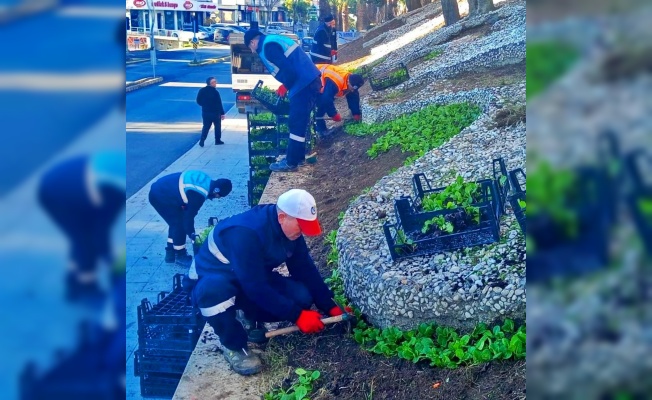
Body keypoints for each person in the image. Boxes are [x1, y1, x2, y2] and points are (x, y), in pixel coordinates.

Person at [191, 189, 348, 375]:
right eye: (301, 226)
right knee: (213, 291)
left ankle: (246, 313)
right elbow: (255, 286)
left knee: (302, 296)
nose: (303, 232)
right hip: (214, 280)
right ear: (282, 217)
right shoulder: (245, 233)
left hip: (250, 277)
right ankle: (234, 346)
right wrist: (297, 315)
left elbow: (305, 268)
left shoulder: (291, 232)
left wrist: (329, 305)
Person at [38, 151, 126, 304]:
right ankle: (84, 288)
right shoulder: (114, 189)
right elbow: (101, 231)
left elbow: (103, 223)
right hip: (59, 193)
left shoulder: (116, 183)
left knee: (83, 238)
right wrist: (111, 261)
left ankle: (75, 281)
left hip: (66, 183)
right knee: (83, 239)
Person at [244, 29, 322, 172]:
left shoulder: (268, 48)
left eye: (250, 48)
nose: (253, 51)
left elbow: (290, 72)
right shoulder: (272, 40)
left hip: (302, 84)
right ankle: (298, 158)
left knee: (296, 122)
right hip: (309, 81)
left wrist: (285, 86)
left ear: (253, 42)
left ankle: (290, 162)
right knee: (299, 122)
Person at [148, 171, 232, 268]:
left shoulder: (206, 181)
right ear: (216, 191)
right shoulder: (199, 194)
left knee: (175, 221)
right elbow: (189, 217)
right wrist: (192, 235)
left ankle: (170, 253)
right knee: (178, 224)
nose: (217, 198)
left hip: (162, 189)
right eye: (219, 196)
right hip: (160, 195)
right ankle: (180, 255)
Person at [314, 64, 365, 137]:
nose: (353, 90)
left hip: (321, 78)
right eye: (352, 88)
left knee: (326, 98)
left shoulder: (351, 81)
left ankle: (320, 129)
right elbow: (326, 99)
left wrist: (356, 113)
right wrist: (334, 114)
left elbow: (353, 97)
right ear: (348, 82)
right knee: (319, 107)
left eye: (354, 89)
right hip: (311, 77)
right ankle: (322, 131)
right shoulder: (336, 82)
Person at [196, 76, 226, 147]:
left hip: (205, 112)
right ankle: (217, 140)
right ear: (211, 83)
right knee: (217, 126)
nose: (216, 83)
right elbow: (219, 103)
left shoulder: (202, 90)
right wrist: (222, 113)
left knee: (206, 126)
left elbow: (198, 101)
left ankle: (202, 140)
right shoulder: (215, 92)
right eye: (215, 82)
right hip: (215, 113)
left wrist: (204, 105)